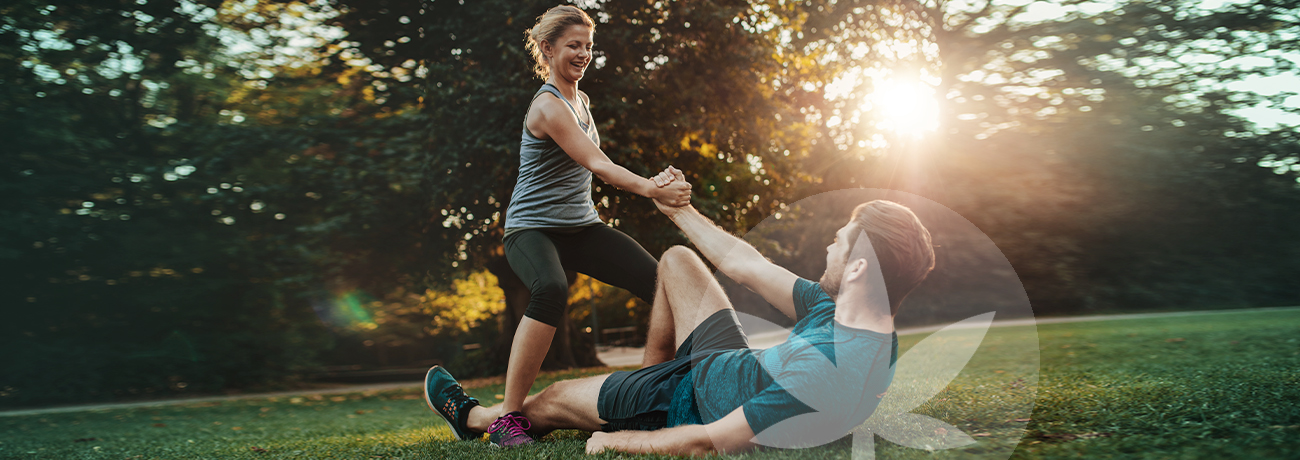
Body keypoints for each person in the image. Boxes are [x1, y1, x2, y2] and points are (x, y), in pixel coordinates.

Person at [425, 198, 935, 455]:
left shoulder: (826, 368)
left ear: (860, 267)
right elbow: (746, 263)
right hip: (727, 362)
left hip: (689, 398)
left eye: (839, 242)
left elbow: (712, 441)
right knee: (676, 260)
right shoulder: (851, 314)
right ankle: (634, 392)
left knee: (552, 398)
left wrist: (617, 443)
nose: (829, 246)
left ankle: (473, 419)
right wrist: (678, 208)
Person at [432, 5, 693, 447]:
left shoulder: (581, 101)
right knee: (551, 289)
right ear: (547, 48)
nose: (583, 54)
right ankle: (507, 420)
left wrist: (657, 185)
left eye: (589, 46)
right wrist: (653, 189)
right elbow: (599, 165)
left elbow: (591, 172)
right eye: (574, 45)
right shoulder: (548, 107)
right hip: (531, 231)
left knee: (660, 283)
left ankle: (653, 392)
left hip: (580, 227)